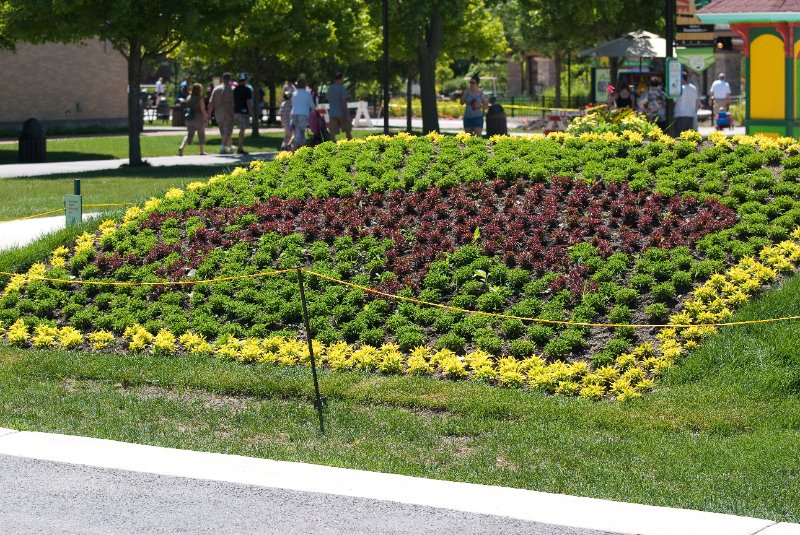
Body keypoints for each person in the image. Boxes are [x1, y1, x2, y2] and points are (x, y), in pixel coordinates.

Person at [178, 83, 208, 156]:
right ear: (199, 90)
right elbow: (202, 110)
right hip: (198, 118)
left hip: (189, 118)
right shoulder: (200, 98)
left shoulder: (188, 97)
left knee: (189, 135)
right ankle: (202, 151)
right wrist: (206, 118)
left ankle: (182, 147)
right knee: (201, 134)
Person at [208, 72, 235, 154]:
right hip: (229, 112)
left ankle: (230, 147)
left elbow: (211, 103)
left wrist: (209, 114)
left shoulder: (216, 89)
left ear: (222, 79)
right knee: (228, 131)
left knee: (223, 131)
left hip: (218, 113)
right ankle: (222, 147)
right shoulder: (232, 89)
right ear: (230, 79)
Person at [290, 78, 316, 149]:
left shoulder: (294, 93)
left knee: (297, 131)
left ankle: (299, 146)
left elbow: (292, 104)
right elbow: (312, 106)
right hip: (303, 114)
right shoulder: (307, 94)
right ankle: (296, 146)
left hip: (294, 113)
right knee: (301, 131)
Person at [673, 71, 699, 136]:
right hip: (690, 115)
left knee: (679, 136)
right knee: (688, 136)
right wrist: (695, 112)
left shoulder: (679, 89)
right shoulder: (693, 88)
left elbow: (674, 101)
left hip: (679, 115)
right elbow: (697, 101)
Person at [326, 73, 352, 141]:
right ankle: (351, 144)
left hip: (332, 113)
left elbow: (328, 100)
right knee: (347, 131)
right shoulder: (342, 88)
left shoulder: (330, 88)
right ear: (341, 78)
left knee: (332, 132)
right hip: (341, 112)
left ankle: (332, 145)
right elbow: (343, 102)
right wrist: (346, 114)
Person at [233, 72, 253, 154]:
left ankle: (239, 147)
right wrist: (252, 113)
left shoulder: (235, 89)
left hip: (236, 111)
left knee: (240, 129)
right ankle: (240, 148)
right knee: (242, 130)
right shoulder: (247, 90)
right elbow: (248, 102)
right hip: (244, 112)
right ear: (245, 80)